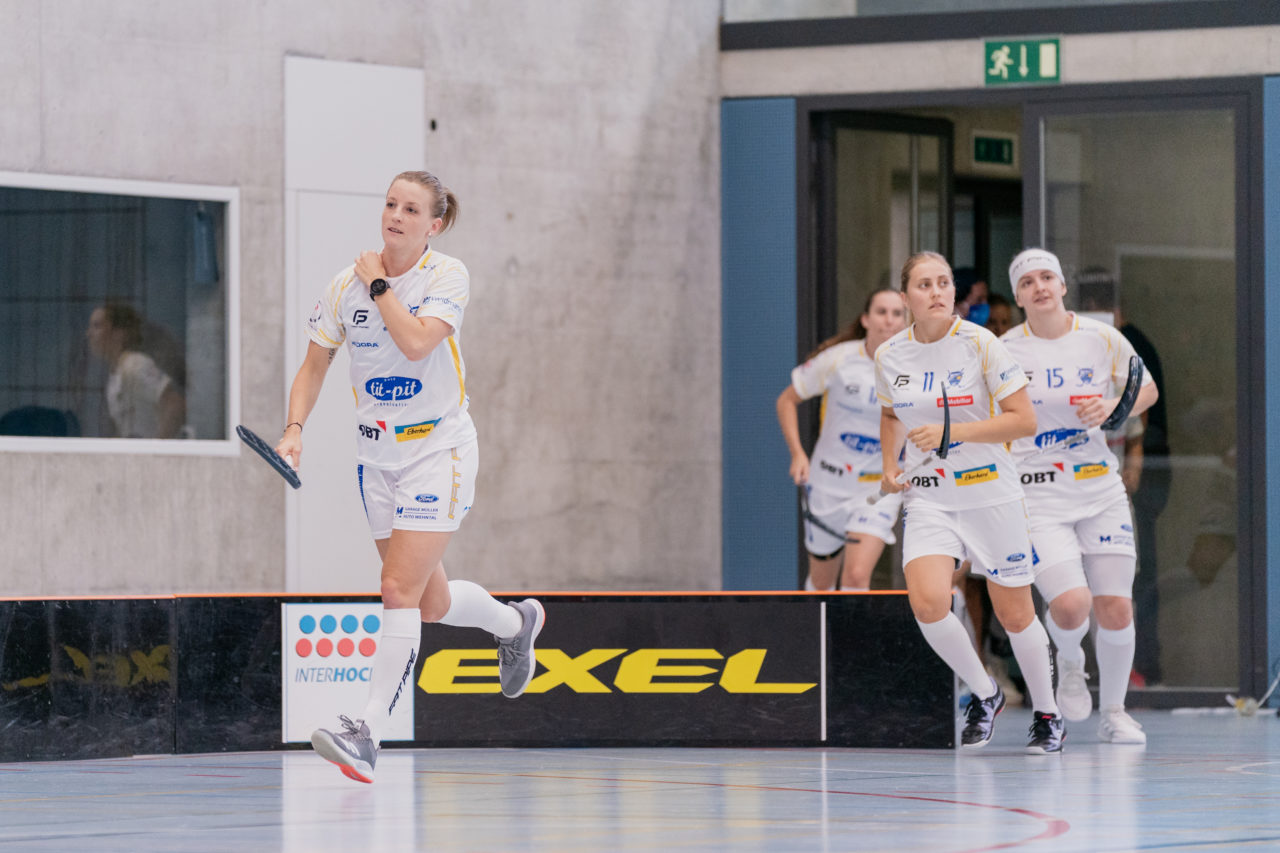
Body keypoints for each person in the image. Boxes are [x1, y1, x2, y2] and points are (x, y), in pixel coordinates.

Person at [275, 170, 544, 784]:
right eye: (391, 203)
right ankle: (515, 623)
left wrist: (379, 284)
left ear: (435, 223)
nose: (395, 215)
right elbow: (314, 366)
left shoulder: (446, 276)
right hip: (376, 460)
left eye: (411, 208)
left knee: (396, 589)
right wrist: (295, 428)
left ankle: (367, 731)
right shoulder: (344, 287)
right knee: (431, 601)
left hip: (439, 452)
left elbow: (420, 343)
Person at [875, 251, 1064, 754]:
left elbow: (1023, 420)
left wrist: (949, 430)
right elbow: (891, 414)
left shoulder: (982, 344)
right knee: (928, 601)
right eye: (924, 284)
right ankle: (984, 693)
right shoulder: (890, 354)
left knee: (1015, 614)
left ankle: (1047, 712)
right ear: (906, 297)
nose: (937, 292)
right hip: (931, 497)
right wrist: (889, 465)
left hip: (990, 494)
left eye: (944, 283)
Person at [1001, 248, 1159, 745]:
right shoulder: (1003, 349)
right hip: (1037, 496)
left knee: (1116, 606)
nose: (1040, 287)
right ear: (1018, 295)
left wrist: (1114, 403)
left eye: (1048, 277)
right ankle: (1070, 661)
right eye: (1028, 282)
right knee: (1071, 606)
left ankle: (1115, 711)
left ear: (1063, 287)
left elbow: (1147, 389)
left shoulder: (1100, 337)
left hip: (1099, 489)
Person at [776, 288, 907, 591]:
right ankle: (817, 638)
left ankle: (850, 641)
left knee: (857, 577)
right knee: (821, 585)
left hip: (878, 489)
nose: (889, 320)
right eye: (881, 312)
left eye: (897, 313)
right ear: (865, 319)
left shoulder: (914, 367)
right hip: (828, 483)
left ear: (905, 321)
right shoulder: (839, 359)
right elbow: (786, 401)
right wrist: (798, 454)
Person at [1077, 267, 1169, 686]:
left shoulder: (1126, 347)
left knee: (1127, 580)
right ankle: (1076, 668)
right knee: (1071, 586)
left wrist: (1134, 463)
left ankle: (1137, 668)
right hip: (1064, 483)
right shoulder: (1073, 353)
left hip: (1123, 485)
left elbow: (1140, 412)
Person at [85, 303, 185, 438]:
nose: (89, 334)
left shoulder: (135, 365)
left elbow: (175, 405)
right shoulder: (116, 373)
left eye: (97, 326)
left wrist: (156, 450)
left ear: (118, 333)